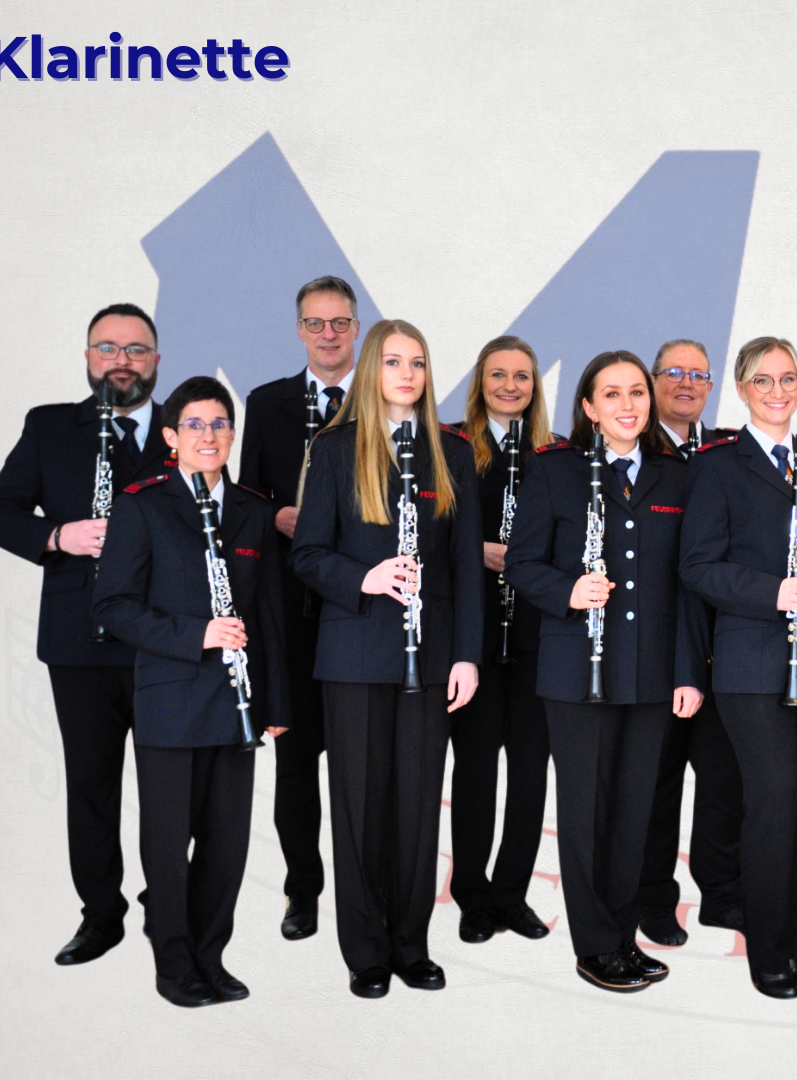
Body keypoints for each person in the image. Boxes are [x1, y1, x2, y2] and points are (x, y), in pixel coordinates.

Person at [290, 319, 483, 998]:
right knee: (359, 808)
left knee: (417, 808)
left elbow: (465, 565)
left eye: (418, 363)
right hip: (354, 656)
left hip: (430, 658)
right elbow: (306, 553)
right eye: (395, 362)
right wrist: (364, 578)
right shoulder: (335, 447)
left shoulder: (451, 451)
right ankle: (366, 952)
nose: (407, 374)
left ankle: (411, 944)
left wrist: (466, 656)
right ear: (372, 368)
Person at [679, 336, 797, 999]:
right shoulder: (718, 467)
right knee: (773, 805)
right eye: (763, 381)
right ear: (742, 390)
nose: (778, 391)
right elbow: (697, 566)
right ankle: (766, 952)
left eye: (788, 379)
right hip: (752, 665)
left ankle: (792, 943)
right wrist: (771, 593)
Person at [0, 302, 172, 965]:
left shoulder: (185, 425)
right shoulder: (51, 426)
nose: (121, 360)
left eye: (136, 349)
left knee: (170, 787)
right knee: (91, 786)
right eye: (107, 348)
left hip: (162, 642)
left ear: (156, 359)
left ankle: (166, 908)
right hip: (77, 640)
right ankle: (101, 915)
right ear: (88, 358)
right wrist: (59, 535)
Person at [505, 350, 706, 992]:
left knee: (633, 815)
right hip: (577, 673)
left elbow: (686, 586)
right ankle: (595, 947)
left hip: (650, 673)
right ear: (589, 407)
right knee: (587, 814)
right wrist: (567, 591)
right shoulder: (555, 471)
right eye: (612, 394)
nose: (628, 404)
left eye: (637, 392)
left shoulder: (678, 477)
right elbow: (520, 564)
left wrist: (687, 673)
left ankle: (623, 938)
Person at [92, 376, 288, 1007]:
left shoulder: (253, 508)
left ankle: (211, 956)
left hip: (237, 706)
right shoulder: (143, 504)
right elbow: (114, 606)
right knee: (168, 844)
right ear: (172, 436)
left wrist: (276, 703)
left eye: (220, 424)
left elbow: (269, 615)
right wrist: (196, 634)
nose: (210, 435)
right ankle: (173, 964)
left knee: (227, 846)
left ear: (233, 434)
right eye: (195, 425)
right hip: (171, 699)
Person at [237, 274, 360, 941]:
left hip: (359, 610)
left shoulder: (382, 402)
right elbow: (245, 498)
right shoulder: (266, 403)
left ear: (356, 329)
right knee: (295, 765)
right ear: (299, 330)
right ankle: (302, 892)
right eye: (316, 323)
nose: (328, 334)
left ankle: (365, 894)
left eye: (339, 322)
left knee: (361, 767)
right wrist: (276, 515)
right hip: (287, 611)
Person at [638, 337, 745, 947]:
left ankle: (721, 895)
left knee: (725, 782)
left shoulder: (726, 452)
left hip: (722, 643)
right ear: (653, 380)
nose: (686, 383)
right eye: (673, 372)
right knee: (657, 785)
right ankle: (654, 899)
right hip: (657, 647)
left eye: (698, 374)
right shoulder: (633, 450)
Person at [449, 335, 555, 944]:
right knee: (475, 771)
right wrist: (480, 551)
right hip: (477, 636)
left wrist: (529, 564)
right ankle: (472, 896)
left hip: (539, 636)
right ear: (480, 382)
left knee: (531, 774)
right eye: (498, 375)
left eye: (521, 376)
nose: (510, 386)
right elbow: (435, 533)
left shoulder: (553, 454)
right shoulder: (454, 446)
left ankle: (512, 895)